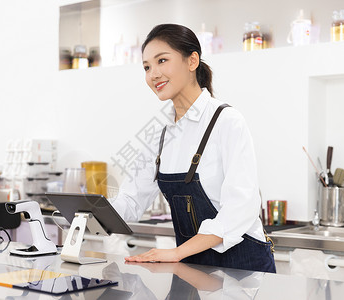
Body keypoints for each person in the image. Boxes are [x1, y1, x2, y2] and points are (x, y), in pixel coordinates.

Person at [111, 24, 276, 273]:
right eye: (146, 67)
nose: (153, 74)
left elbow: (242, 207)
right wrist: (90, 212)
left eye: (162, 61)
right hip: (193, 268)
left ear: (192, 61)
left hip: (243, 269)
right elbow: (132, 200)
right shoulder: (159, 132)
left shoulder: (226, 120)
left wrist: (178, 252)